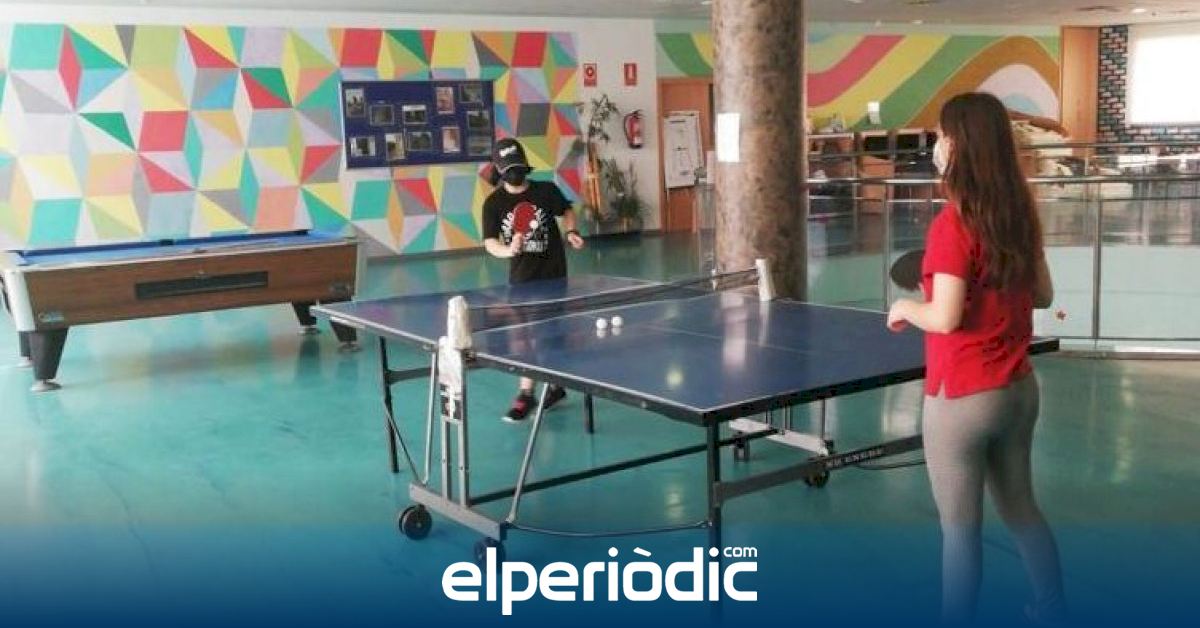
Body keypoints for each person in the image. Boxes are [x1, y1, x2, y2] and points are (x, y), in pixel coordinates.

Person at [885, 92, 1065, 626]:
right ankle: (1052, 610)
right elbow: (1043, 295)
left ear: (958, 144)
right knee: (1021, 507)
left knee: (960, 533)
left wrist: (904, 307)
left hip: (962, 395)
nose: (937, 145)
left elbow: (944, 317)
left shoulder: (953, 224)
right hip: (1018, 391)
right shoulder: (1019, 215)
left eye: (942, 135)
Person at [481, 138, 586, 422]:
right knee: (524, 336)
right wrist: (508, 250)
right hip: (522, 279)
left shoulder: (546, 190)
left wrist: (571, 232)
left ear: (525, 165)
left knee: (550, 334)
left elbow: (567, 210)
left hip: (554, 275)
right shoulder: (494, 203)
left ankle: (553, 386)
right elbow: (490, 242)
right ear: (499, 171)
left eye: (518, 167)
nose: (515, 173)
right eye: (509, 169)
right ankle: (527, 394)